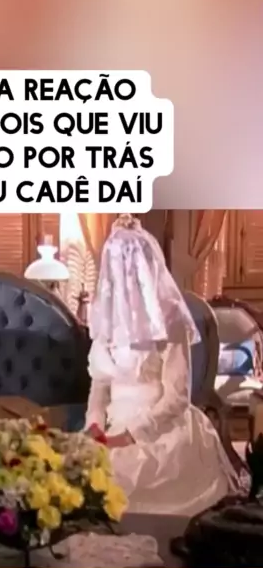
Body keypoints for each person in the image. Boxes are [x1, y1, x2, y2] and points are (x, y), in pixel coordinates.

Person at [85, 214, 238, 516]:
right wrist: (94, 426)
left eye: (130, 267)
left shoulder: (170, 319)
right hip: (113, 426)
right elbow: (99, 386)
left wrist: (128, 436)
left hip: (162, 428)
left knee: (127, 479)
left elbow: (176, 399)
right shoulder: (105, 314)